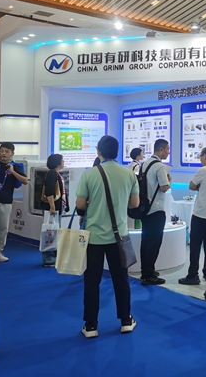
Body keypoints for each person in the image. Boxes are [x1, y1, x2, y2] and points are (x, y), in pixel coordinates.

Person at [76, 135, 139, 338]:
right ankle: (126, 320)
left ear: (98, 151)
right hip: (119, 237)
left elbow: (80, 205)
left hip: (93, 237)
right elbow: (135, 204)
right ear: (118, 152)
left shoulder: (89, 174)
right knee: (121, 279)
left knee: (91, 281)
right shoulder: (128, 174)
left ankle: (91, 325)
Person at [179, 147, 206, 285]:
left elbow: (191, 186)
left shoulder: (203, 170)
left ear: (205, 156)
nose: (200, 159)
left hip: (200, 214)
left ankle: (193, 275)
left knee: (195, 245)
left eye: (200, 156)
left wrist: (200, 187)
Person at [0, 142, 28, 262]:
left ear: (12, 153)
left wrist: (13, 172)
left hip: (6, 201)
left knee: (3, 228)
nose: (4, 153)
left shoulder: (15, 166)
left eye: (7, 151)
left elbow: (25, 181)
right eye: (2, 151)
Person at [139, 139, 171, 286]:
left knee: (145, 242)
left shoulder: (145, 163)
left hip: (145, 209)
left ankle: (145, 270)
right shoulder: (159, 166)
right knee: (154, 243)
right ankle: (148, 275)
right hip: (156, 209)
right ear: (161, 149)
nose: (168, 152)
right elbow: (164, 187)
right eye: (167, 149)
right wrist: (169, 180)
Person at [40, 154, 69, 267]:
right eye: (62, 160)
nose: (63, 162)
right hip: (52, 209)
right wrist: (52, 206)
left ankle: (54, 256)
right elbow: (49, 191)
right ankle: (48, 258)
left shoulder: (56, 174)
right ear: (57, 163)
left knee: (54, 232)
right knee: (49, 233)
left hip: (57, 208)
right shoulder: (52, 174)